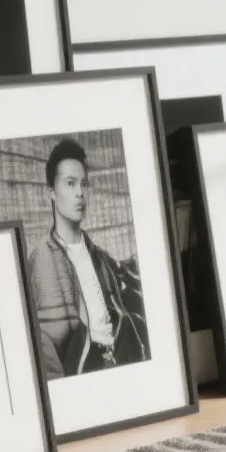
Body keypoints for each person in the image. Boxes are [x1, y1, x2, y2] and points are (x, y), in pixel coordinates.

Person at [24, 138, 148, 379]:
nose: (80, 192)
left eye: (83, 184)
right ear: (51, 192)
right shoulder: (39, 258)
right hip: (79, 373)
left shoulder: (99, 257)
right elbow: (38, 337)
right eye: (70, 183)